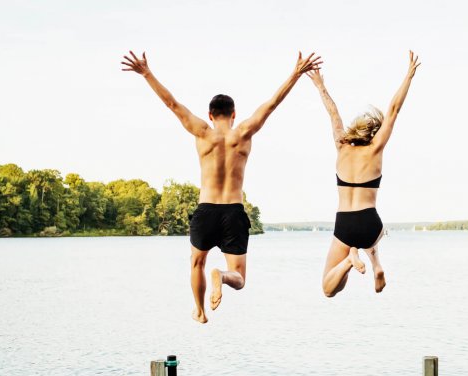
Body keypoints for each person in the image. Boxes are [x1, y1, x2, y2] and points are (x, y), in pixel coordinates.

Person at [121, 50, 323, 323]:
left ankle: (200, 311)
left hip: (206, 211)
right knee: (239, 278)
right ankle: (222, 277)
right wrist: (296, 74)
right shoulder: (244, 132)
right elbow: (272, 104)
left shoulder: (202, 131)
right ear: (234, 114)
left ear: (210, 114)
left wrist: (146, 73)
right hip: (233, 211)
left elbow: (171, 103)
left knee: (196, 263)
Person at [306, 51, 420, 297]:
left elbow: (333, 113)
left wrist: (319, 85)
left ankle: (349, 261)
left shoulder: (341, 146)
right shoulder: (376, 149)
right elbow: (393, 110)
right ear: (372, 134)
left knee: (329, 288)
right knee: (376, 234)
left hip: (345, 223)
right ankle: (376, 264)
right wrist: (409, 75)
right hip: (371, 223)